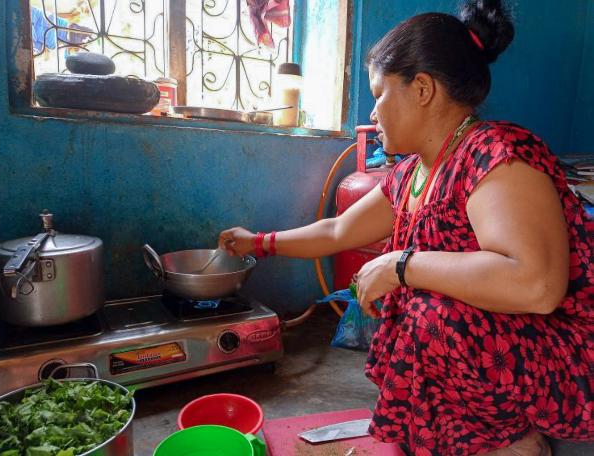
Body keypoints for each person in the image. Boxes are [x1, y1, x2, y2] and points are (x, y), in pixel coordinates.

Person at [218, 0, 593, 454]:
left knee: (429, 315)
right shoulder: (413, 173)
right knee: (415, 311)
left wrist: (401, 265)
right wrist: (258, 242)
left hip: (561, 354)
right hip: (495, 349)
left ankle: (515, 440)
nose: (372, 112)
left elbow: (535, 284)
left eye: (379, 92)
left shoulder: (495, 155)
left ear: (422, 89)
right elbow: (337, 232)